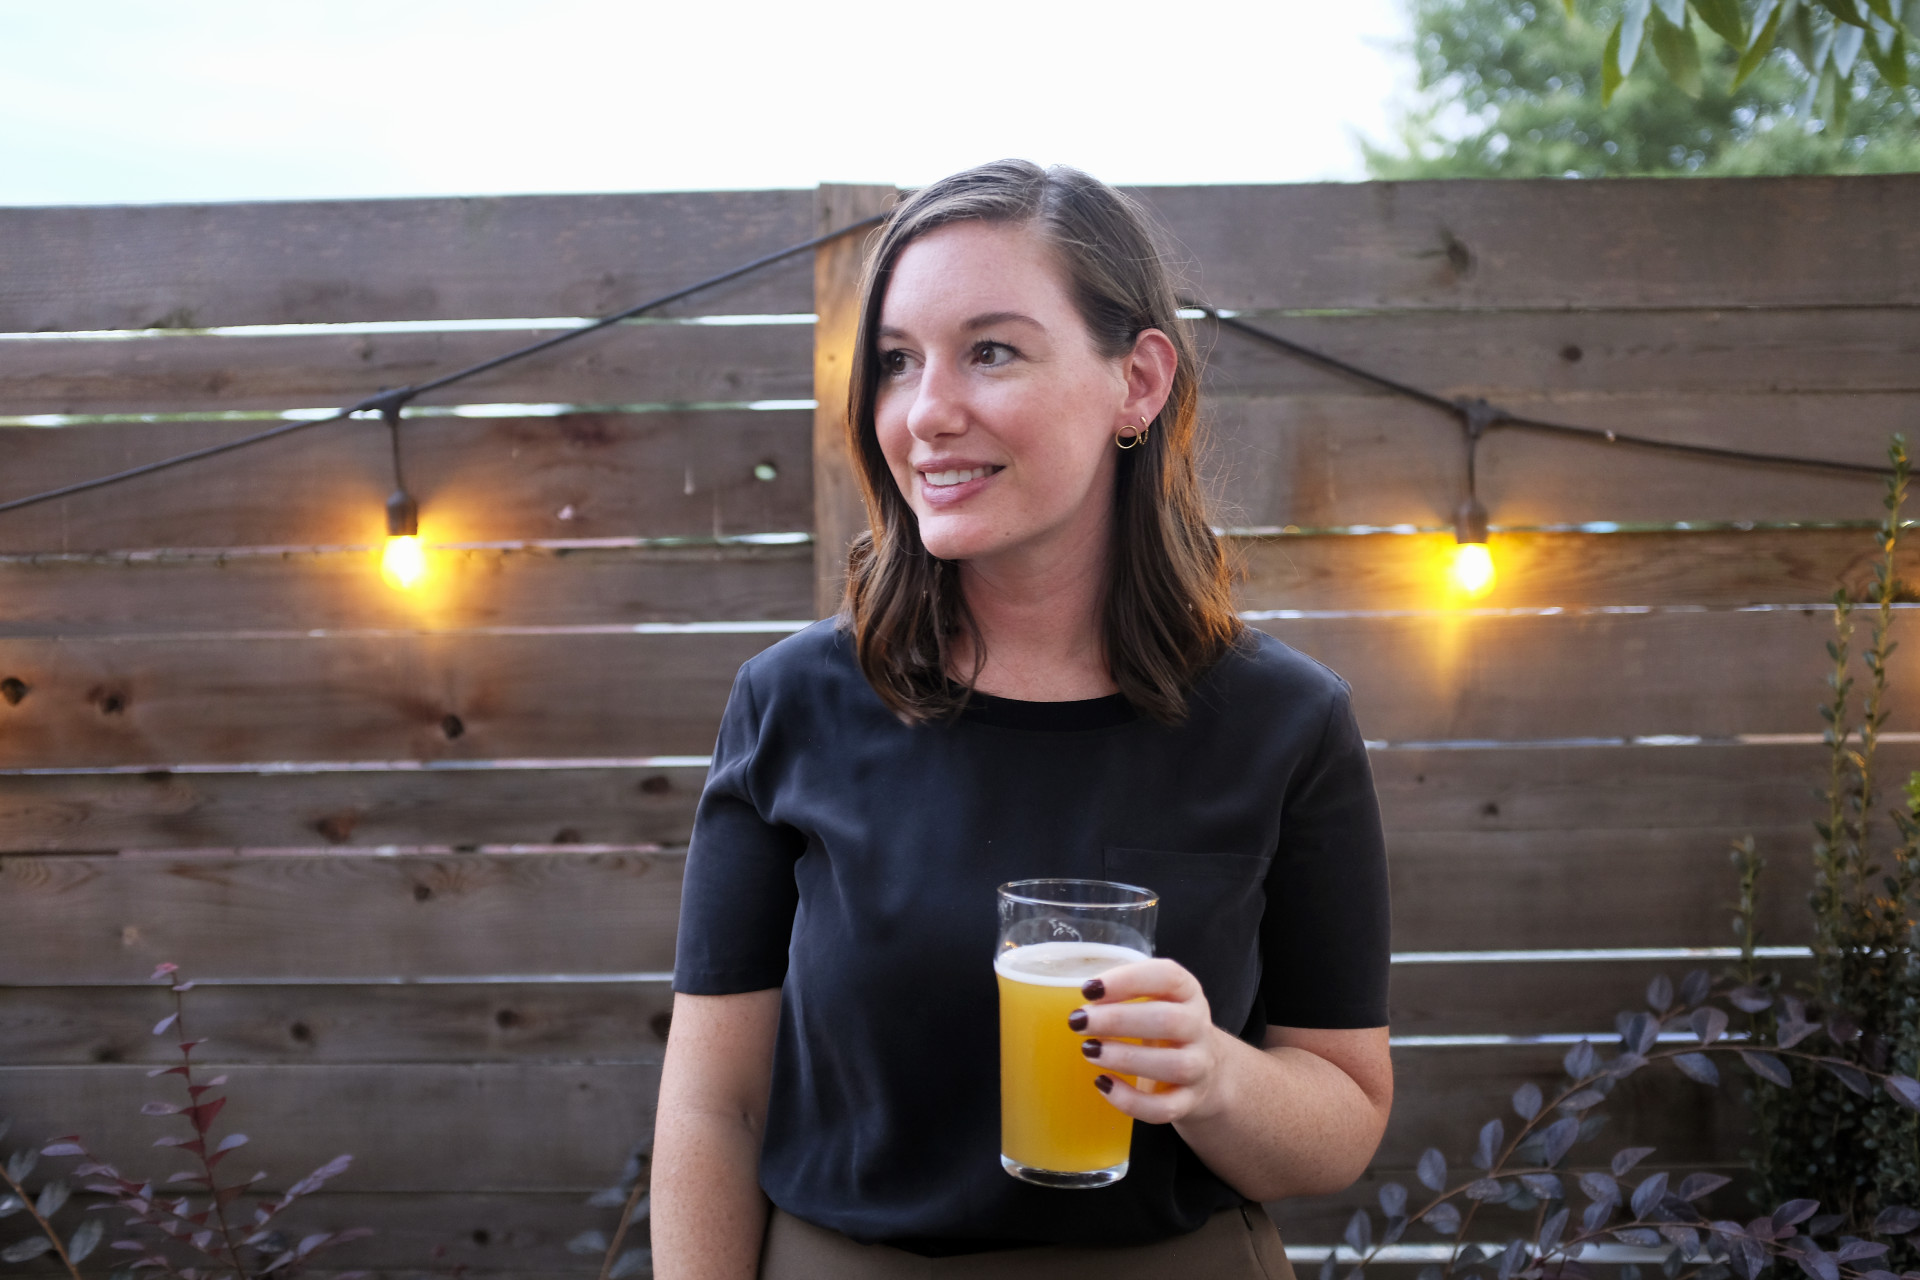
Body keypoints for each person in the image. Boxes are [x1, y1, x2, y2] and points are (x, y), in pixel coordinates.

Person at [651, 160, 1393, 1280]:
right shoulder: (793, 702)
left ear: (1137, 381)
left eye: (990, 350)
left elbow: (1344, 1112)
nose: (928, 411)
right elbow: (715, 1106)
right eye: (898, 362)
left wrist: (1214, 1073)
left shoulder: (1284, 719)